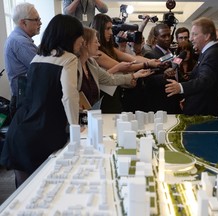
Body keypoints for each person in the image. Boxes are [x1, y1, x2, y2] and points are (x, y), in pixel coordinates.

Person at [0, 14, 84, 188]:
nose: (82, 41)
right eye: (79, 35)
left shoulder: (38, 57)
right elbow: (69, 96)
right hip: (41, 134)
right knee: (44, 190)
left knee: (22, 194)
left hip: (21, 130)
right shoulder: (68, 59)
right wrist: (76, 129)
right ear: (69, 36)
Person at [90, 13, 161, 113]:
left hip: (115, 92)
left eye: (111, 28)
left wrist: (154, 61)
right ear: (98, 29)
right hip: (105, 96)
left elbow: (132, 57)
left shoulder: (110, 49)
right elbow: (123, 67)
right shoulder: (97, 53)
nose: (111, 32)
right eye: (107, 29)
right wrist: (147, 64)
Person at [78, 26, 153, 107]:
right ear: (85, 44)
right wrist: (146, 64)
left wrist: (135, 75)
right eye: (96, 42)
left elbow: (109, 78)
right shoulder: (74, 66)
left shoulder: (91, 62)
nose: (98, 45)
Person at [165, 17, 218, 116]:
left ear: (206, 36)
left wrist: (180, 87)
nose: (191, 38)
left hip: (204, 113)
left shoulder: (213, 53)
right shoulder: (208, 52)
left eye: (195, 34)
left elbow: (205, 81)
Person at [4, 3, 42, 118]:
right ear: (23, 22)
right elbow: (42, 68)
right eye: (36, 20)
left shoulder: (18, 39)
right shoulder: (20, 42)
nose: (40, 23)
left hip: (25, 100)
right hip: (25, 102)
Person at [143, 23, 183, 114]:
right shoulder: (150, 55)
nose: (167, 38)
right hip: (160, 102)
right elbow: (147, 80)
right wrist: (164, 75)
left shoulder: (172, 53)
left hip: (175, 99)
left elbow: (176, 73)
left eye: (169, 35)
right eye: (163, 36)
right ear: (156, 38)